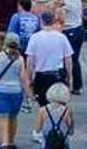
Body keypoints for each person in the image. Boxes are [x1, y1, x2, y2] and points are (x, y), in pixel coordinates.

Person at [26, 10, 73, 141]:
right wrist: (70, 77)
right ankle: (58, 127)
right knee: (59, 103)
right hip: (57, 75)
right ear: (53, 21)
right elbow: (68, 59)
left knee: (43, 105)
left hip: (41, 75)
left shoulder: (35, 38)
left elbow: (30, 60)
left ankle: (42, 129)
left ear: (41, 21)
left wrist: (29, 77)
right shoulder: (61, 37)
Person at [0, 32, 28, 149]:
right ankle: (12, 140)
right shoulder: (20, 59)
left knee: (3, 116)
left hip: (2, 90)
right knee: (13, 116)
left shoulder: (0, 56)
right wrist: (27, 92)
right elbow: (23, 77)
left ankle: (4, 142)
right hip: (16, 90)